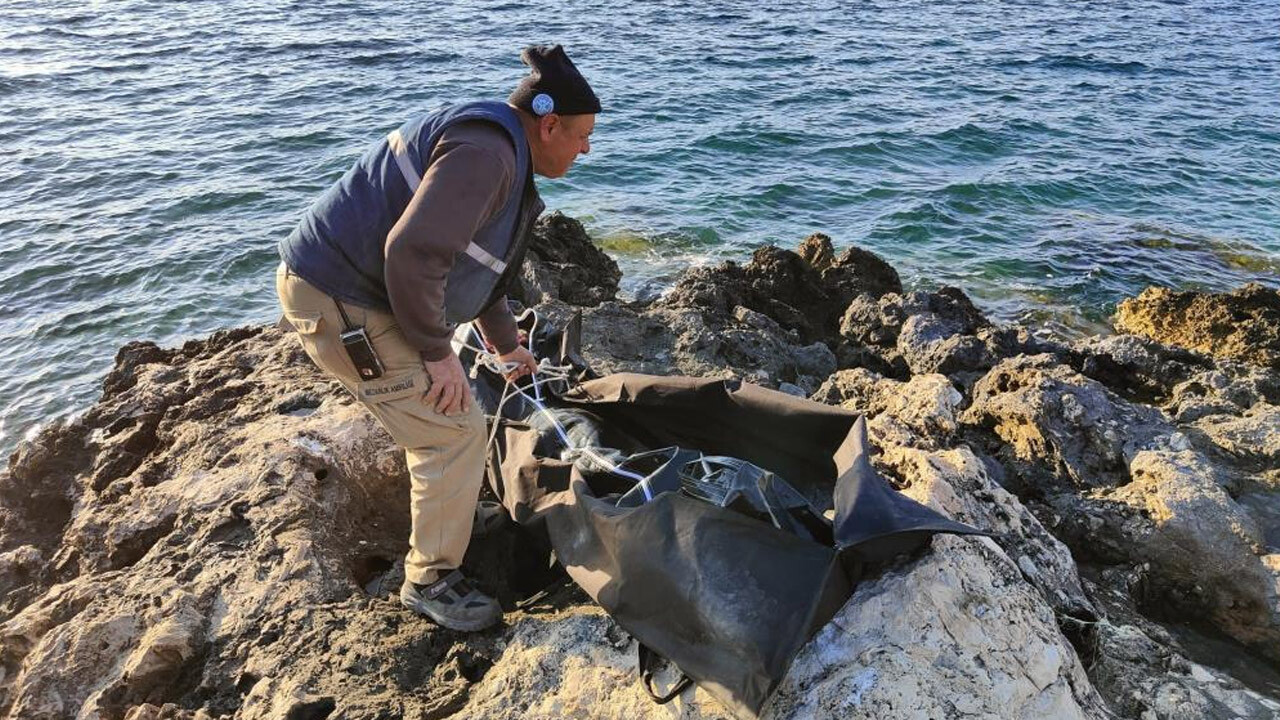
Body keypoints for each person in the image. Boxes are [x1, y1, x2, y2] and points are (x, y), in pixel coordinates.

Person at [275, 45, 599, 631]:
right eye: (580, 136)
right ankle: (430, 580)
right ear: (548, 123)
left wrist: (505, 345)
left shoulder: (498, 145)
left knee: (451, 414)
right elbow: (414, 252)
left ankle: (453, 515)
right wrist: (434, 351)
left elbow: (473, 265)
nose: (586, 149)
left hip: (360, 289)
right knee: (449, 428)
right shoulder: (486, 155)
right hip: (339, 301)